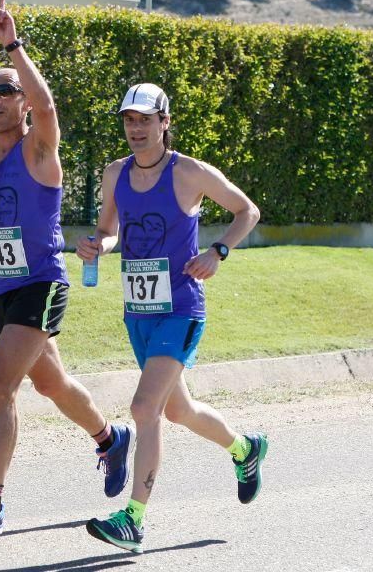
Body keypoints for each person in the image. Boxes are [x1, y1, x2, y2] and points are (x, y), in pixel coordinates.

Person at [0, 0, 134, 537]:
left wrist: (12, 46)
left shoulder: (40, 149)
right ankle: (111, 439)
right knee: (52, 384)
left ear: (23, 102)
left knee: (0, 385)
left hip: (41, 283)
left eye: (6, 91)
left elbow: (48, 109)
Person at [76, 83, 267, 553]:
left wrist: (218, 251)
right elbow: (108, 230)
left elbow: (247, 210)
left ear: (165, 122)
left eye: (145, 119)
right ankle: (246, 449)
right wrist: (96, 245)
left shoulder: (189, 173)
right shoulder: (115, 173)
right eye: (128, 120)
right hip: (138, 311)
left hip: (181, 308)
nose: (135, 128)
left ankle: (134, 519)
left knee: (145, 409)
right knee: (178, 410)